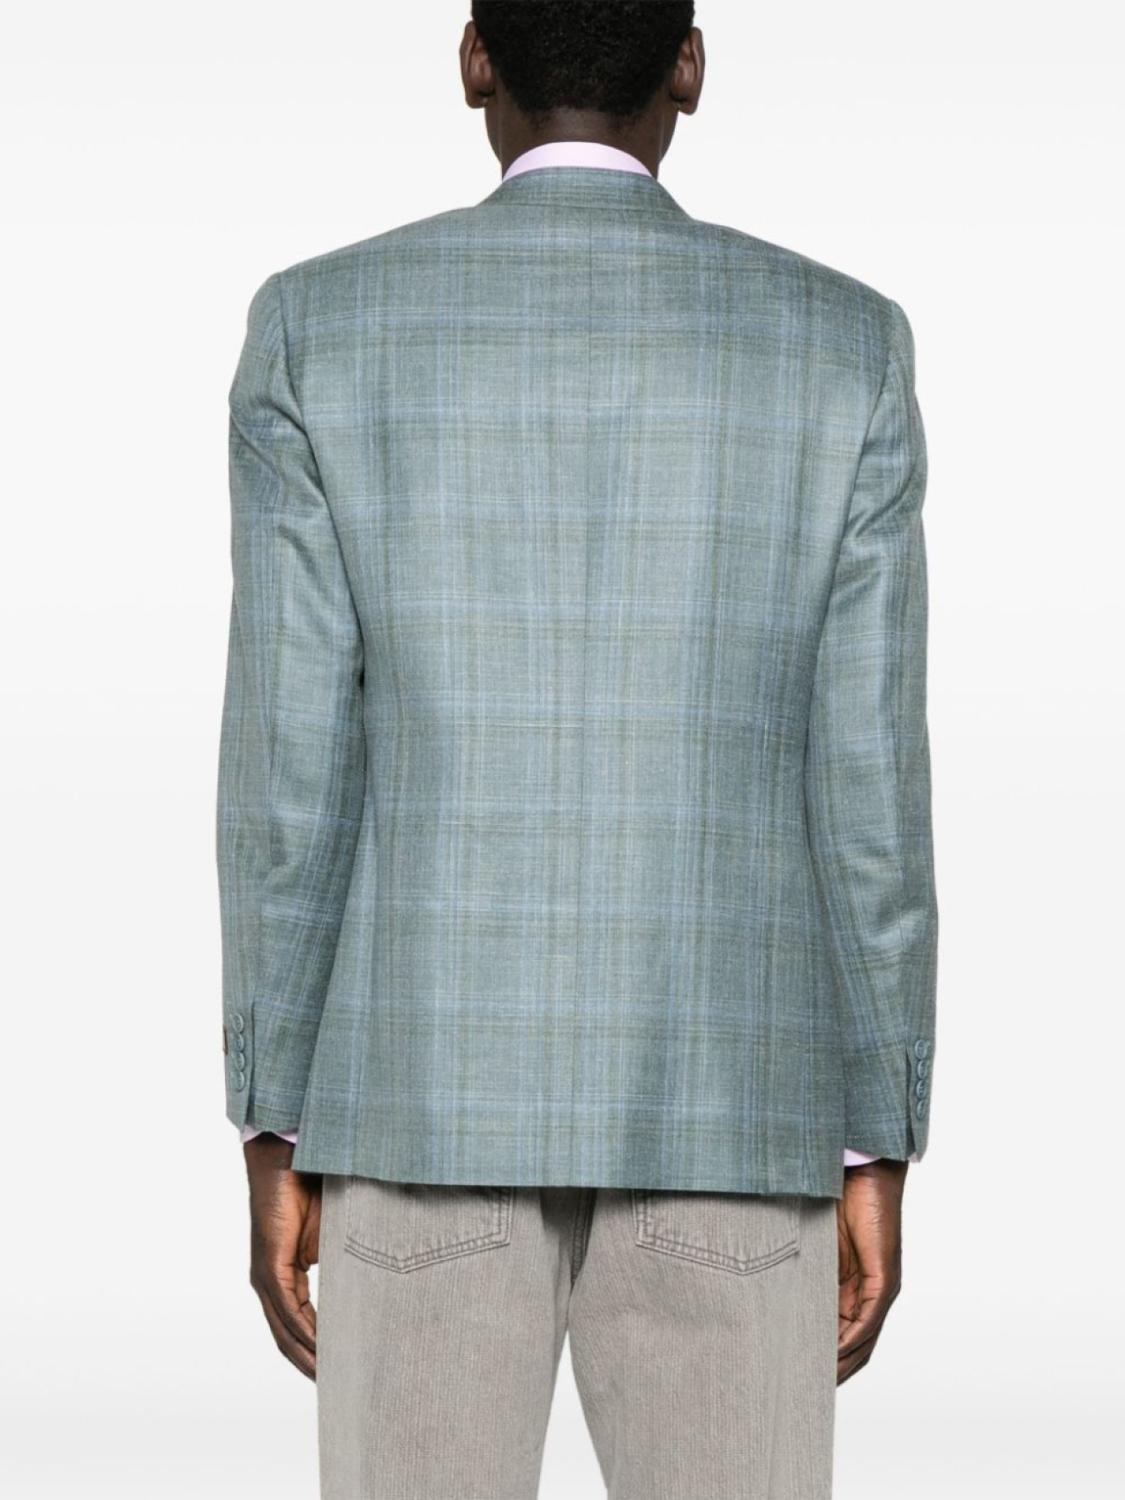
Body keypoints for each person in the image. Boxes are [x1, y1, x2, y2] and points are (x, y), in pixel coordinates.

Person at [217, 3, 938, 1495]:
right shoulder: (841, 346)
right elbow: (868, 795)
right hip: (735, 1113)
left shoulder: (321, 328)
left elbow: (290, 778)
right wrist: (878, 1133)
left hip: (414, 1106)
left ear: (474, 59)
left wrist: (274, 1113)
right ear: (690, 65)